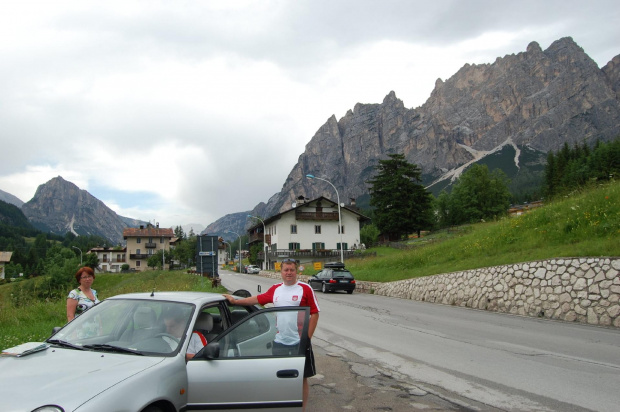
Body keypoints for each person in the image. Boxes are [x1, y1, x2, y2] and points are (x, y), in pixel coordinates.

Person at [223, 258, 320, 412]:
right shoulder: (275, 289)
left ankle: (302, 409)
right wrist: (235, 302)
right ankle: (284, 406)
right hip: (280, 341)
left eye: (291, 270)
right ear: (280, 272)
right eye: (286, 270)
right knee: (280, 378)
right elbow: (256, 299)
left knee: (301, 378)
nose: (289, 273)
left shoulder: (305, 288)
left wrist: (307, 338)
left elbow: (314, 313)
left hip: (299, 342)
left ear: (297, 271)